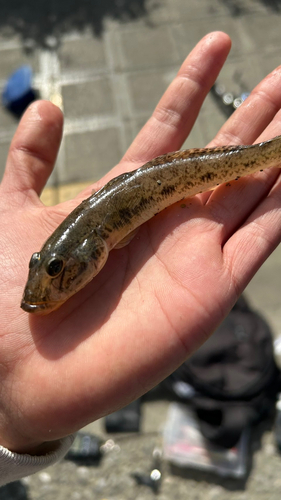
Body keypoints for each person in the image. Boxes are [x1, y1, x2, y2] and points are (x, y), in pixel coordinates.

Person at [1, 31, 281, 485]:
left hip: (184, 176)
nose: (48, 281)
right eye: (46, 266)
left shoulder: (96, 243)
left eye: (53, 269)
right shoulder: (89, 247)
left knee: (248, 161)